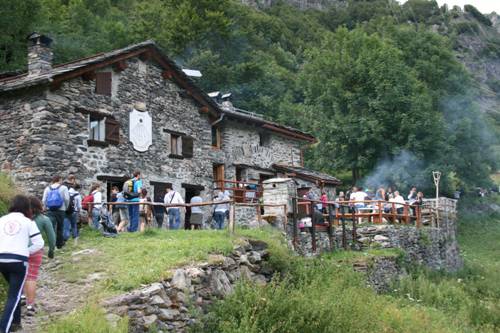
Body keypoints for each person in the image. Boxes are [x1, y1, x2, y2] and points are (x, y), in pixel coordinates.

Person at [0, 195, 44, 333]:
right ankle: (3, 329)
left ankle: (16, 322)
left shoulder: (2, 220)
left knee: (16, 292)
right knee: (14, 295)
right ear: (27, 208)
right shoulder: (28, 222)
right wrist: (26, 251)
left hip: (1, 259)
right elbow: (39, 243)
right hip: (19, 261)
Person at [24, 197, 56, 316]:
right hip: (35, 250)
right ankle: (30, 305)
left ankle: (22, 296)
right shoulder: (44, 219)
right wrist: (51, 250)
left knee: (21, 274)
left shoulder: (22, 219)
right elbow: (51, 237)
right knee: (31, 277)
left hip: (19, 250)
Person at [42, 175, 69, 249]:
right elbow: (66, 199)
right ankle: (59, 244)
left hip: (50, 210)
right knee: (60, 227)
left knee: (51, 228)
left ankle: (52, 245)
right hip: (61, 210)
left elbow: (44, 200)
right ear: (60, 179)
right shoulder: (64, 188)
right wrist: (66, 207)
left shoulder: (47, 188)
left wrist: (45, 207)